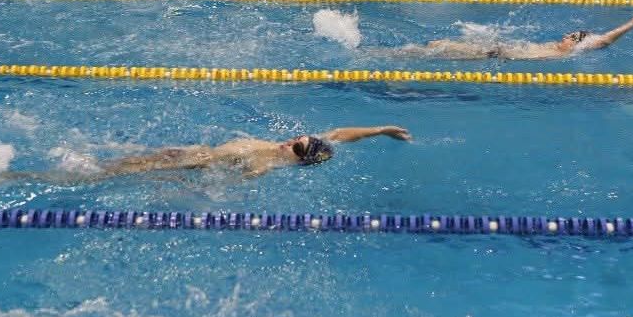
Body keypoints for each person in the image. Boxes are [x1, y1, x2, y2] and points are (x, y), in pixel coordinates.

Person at [87, 126, 410, 179]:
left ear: (301, 160)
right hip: (195, 153)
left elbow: (231, 182)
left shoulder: (266, 165)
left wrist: (181, 185)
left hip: (194, 163)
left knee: (118, 170)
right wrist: (381, 129)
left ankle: (82, 174)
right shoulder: (289, 150)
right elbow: (338, 135)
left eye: (296, 146)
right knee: (122, 158)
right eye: (295, 138)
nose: (289, 143)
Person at [385, 13, 633, 61]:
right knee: (435, 46)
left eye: (571, 35)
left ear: (578, 43)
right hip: (495, 50)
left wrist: (632, 24)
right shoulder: (557, 48)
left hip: (493, 55)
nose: (565, 35)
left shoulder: (568, 51)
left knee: (434, 48)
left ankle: (384, 55)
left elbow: (605, 40)